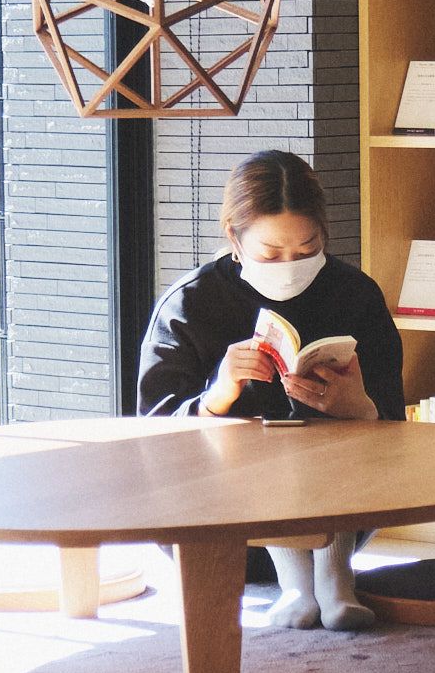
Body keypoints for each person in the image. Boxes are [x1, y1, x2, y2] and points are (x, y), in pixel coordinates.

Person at [133, 149, 406, 632]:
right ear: (234, 239)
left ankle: (335, 580)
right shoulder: (190, 304)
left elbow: (398, 431)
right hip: (219, 531)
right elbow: (152, 439)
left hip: (339, 522)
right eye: (270, 253)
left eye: (306, 250)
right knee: (261, 439)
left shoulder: (355, 294)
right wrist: (217, 397)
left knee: (329, 435)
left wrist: (360, 408)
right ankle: (298, 586)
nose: (289, 265)